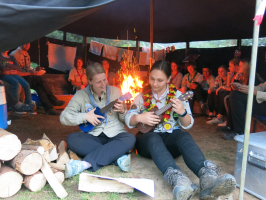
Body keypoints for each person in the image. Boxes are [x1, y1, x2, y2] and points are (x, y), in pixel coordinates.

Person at [125, 60, 236, 200]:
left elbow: (187, 124)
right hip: (147, 143)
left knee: (184, 136)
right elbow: (129, 120)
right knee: (153, 138)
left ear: (169, 79)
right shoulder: (141, 96)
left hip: (170, 140)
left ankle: (208, 178)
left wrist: (183, 112)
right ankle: (179, 180)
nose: (154, 83)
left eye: (160, 80)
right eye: (152, 78)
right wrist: (141, 117)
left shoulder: (177, 95)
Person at [60, 62, 136, 178]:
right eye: (98, 82)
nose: (103, 84)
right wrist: (85, 117)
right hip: (92, 137)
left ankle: (84, 164)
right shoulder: (81, 95)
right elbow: (63, 117)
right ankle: (117, 157)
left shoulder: (116, 92)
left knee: (130, 138)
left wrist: (122, 111)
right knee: (72, 138)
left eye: (105, 80)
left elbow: (123, 119)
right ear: (89, 81)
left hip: (115, 135)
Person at [10, 43, 65, 115]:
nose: (27, 45)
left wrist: (36, 70)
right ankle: (53, 100)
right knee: (40, 79)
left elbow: (27, 69)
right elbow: (14, 73)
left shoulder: (27, 54)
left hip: (27, 77)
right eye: (25, 43)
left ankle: (49, 109)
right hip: (20, 78)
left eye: (29, 43)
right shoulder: (15, 54)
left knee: (39, 88)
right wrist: (31, 73)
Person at [207, 58, 239, 124]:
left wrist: (228, 79)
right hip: (221, 92)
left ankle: (220, 117)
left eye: (222, 71)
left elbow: (229, 88)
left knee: (221, 93)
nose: (220, 73)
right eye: (219, 71)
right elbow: (215, 86)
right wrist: (212, 89)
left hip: (228, 93)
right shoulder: (218, 78)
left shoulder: (231, 76)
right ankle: (213, 113)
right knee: (212, 93)